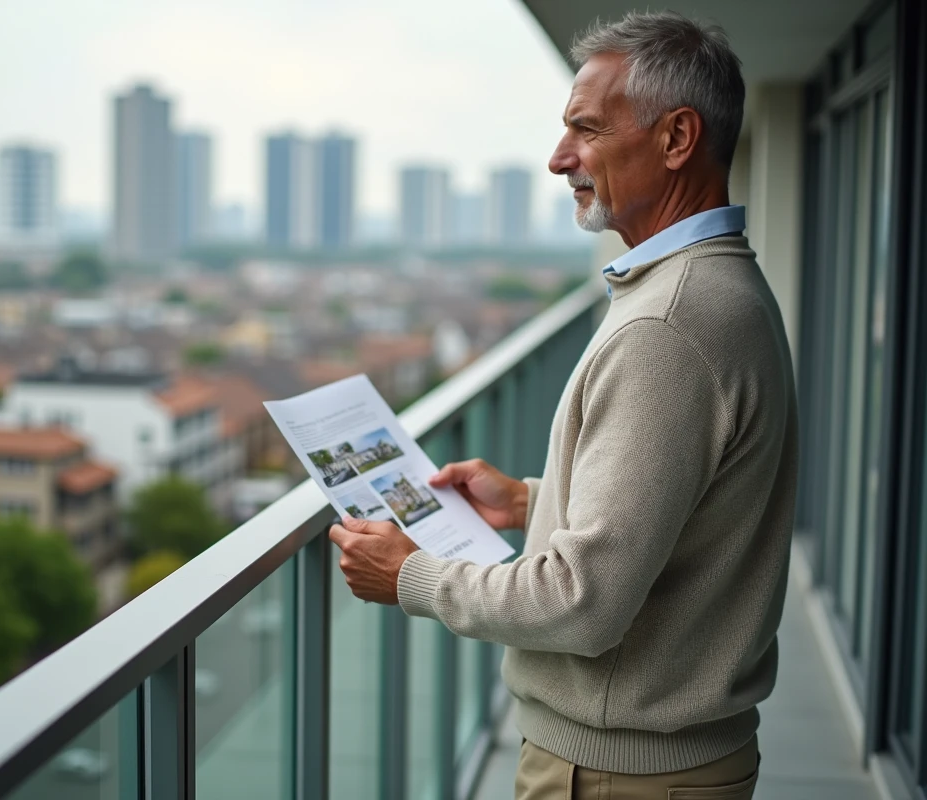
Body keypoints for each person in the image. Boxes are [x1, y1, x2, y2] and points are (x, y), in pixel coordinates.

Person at [329, 10, 797, 799]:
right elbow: (684, 511)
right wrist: (530, 501)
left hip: (618, 774)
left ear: (677, 139)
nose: (558, 158)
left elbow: (581, 603)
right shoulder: (714, 289)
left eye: (586, 129)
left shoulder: (668, 324)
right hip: (663, 762)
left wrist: (413, 577)